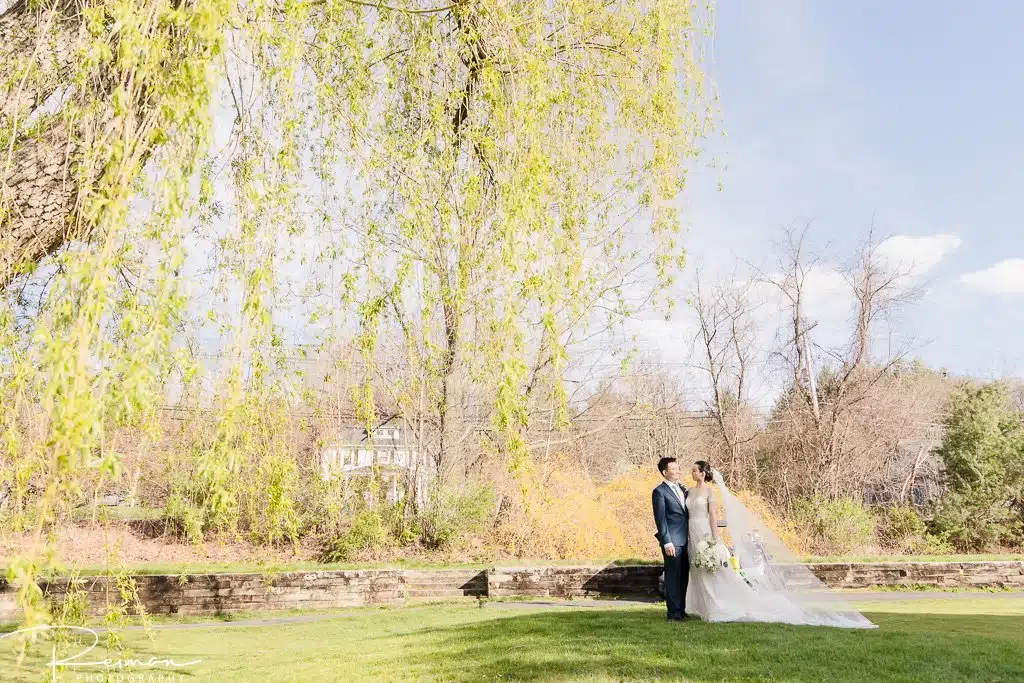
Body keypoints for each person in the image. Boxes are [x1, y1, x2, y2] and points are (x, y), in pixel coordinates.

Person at [684, 460, 877, 629]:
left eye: (694, 470)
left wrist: (715, 538)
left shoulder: (710, 491)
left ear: (703, 473)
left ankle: (716, 606)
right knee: (697, 568)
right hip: (691, 532)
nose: (692, 473)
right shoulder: (689, 491)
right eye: (691, 470)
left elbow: (713, 515)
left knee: (713, 571)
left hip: (705, 532)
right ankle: (702, 606)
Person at [651, 456, 689, 621]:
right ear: (665, 472)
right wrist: (667, 542)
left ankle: (681, 610)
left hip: (686, 540)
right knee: (672, 577)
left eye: (678, 468)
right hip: (672, 541)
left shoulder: (681, 488)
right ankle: (673, 614)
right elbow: (660, 519)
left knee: (684, 577)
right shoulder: (659, 492)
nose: (677, 471)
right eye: (673, 469)